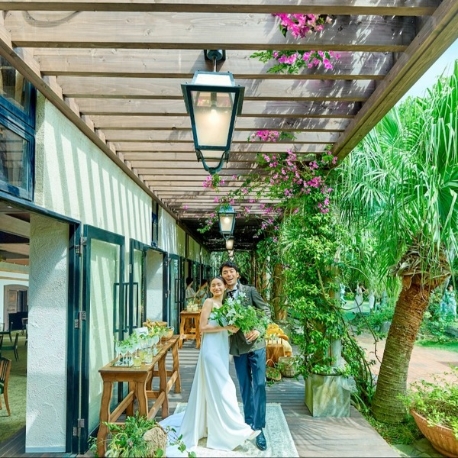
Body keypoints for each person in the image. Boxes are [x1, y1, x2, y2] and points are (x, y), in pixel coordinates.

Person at [160, 276, 259, 453]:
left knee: (214, 389)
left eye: (219, 284)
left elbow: (228, 327)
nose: (216, 287)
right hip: (210, 351)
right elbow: (203, 328)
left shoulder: (226, 305)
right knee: (226, 388)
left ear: (225, 286)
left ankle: (213, 428)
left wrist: (235, 328)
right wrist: (226, 328)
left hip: (222, 349)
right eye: (213, 285)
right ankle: (239, 431)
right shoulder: (208, 302)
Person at [220, 261, 271, 451]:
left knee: (259, 385)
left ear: (237, 274)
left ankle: (259, 427)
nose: (228, 275)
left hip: (256, 345)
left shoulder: (250, 291)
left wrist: (258, 330)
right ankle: (250, 424)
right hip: (238, 348)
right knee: (245, 387)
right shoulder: (221, 296)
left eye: (231, 271)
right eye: (225, 272)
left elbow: (266, 311)